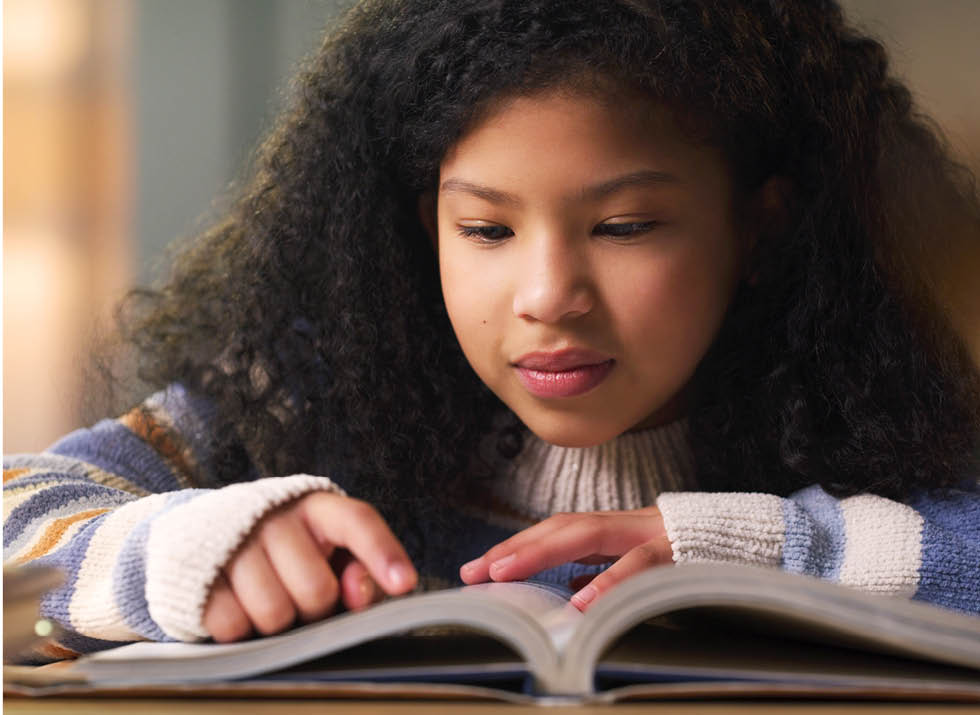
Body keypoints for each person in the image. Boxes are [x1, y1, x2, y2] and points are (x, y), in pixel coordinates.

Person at [5, 0, 979, 661]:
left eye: (623, 227)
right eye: (484, 230)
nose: (548, 296)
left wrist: (760, 550)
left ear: (757, 228)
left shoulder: (864, 406)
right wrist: (185, 550)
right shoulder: (300, 394)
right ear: (420, 225)